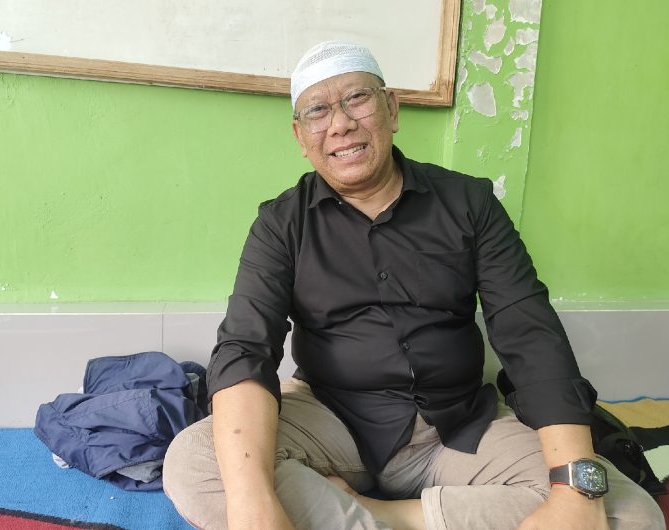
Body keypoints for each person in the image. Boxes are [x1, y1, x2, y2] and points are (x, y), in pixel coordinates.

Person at [163, 41, 664, 530]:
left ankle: (387, 515)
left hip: (458, 428)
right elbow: (245, 348)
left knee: (628, 517)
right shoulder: (281, 223)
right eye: (318, 111)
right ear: (301, 136)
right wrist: (251, 503)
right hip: (330, 420)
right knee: (195, 462)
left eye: (356, 98)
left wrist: (573, 490)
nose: (340, 124)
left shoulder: (469, 204)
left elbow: (529, 333)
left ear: (392, 109)